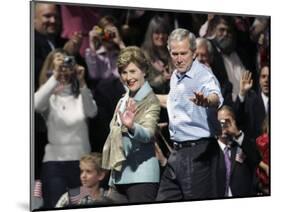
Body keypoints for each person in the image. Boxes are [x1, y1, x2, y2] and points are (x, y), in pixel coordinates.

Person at [156, 28, 223, 201]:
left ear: (193, 53)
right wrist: (144, 96)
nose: (179, 59)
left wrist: (207, 101)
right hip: (177, 152)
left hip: (198, 153)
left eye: (183, 53)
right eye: (174, 53)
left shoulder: (202, 75)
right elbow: (172, 100)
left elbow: (216, 96)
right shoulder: (176, 75)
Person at [34, 49, 98, 208]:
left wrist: (82, 83)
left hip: (81, 165)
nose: (64, 65)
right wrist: (55, 76)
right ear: (51, 66)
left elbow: (92, 111)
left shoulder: (80, 94)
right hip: (55, 164)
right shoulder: (48, 96)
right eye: (59, 61)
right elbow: (35, 105)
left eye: (67, 61)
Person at [102, 46, 161, 203]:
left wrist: (132, 126)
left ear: (144, 71)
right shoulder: (123, 99)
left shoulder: (151, 100)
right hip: (118, 177)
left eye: (133, 71)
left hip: (141, 177)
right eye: (124, 72)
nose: (128, 77)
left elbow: (148, 133)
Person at [214, 105, 262, 197]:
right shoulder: (210, 149)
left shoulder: (243, 144)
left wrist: (237, 134)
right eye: (220, 122)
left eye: (227, 121)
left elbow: (256, 159)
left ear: (233, 122)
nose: (223, 125)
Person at [85, 15, 126, 89]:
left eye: (111, 33)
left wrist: (120, 43)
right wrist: (92, 43)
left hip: (121, 90)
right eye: (104, 32)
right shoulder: (93, 54)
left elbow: (131, 66)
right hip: (102, 93)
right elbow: (94, 75)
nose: (107, 36)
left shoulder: (122, 53)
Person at [234, 65, 269, 140]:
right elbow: (237, 120)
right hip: (255, 149)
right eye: (263, 76)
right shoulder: (251, 101)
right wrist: (242, 93)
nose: (266, 80)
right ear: (259, 80)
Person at [141, 15, 172, 94]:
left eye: (164, 33)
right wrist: (161, 79)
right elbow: (141, 85)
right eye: (157, 33)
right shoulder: (143, 56)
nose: (161, 36)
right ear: (151, 34)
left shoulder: (173, 53)